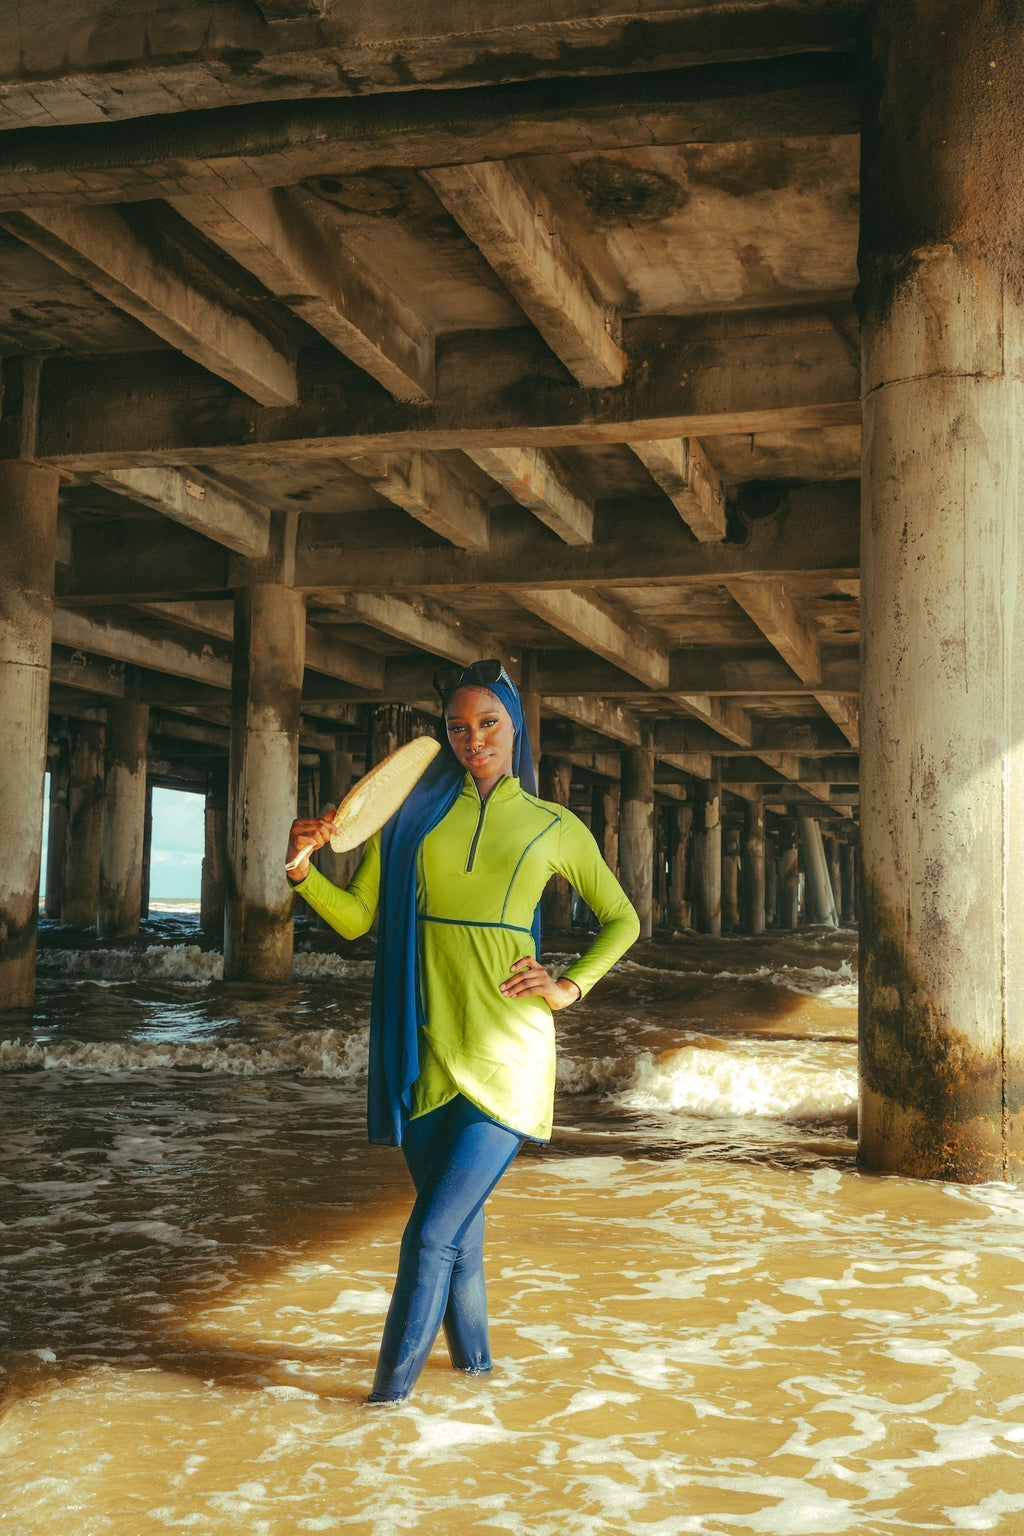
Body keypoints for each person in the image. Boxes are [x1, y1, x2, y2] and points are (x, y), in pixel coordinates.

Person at [285, 660, 640, 1404]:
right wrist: (303, 874)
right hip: (427, 1046)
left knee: (429, 1235)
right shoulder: (411, 818)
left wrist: (568, 986)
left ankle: (382, 1410)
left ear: (514, 728)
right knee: (460, 1240)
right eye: (458, 726)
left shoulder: (553, 825)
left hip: (508, 1052)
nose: (472, 738)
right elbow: (357, 918)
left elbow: (623, 918)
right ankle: (478, 1381)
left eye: (488, 724)